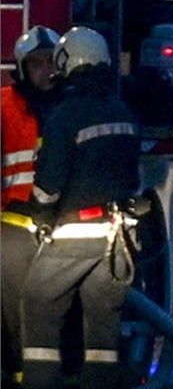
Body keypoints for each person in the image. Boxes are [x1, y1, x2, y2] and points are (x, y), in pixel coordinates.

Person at [21, 27, 140, 389]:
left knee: (38, 304)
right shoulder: (122, 110)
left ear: (69, 60)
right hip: (116, 241)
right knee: (103, 334)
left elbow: (49, 185)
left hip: (73, 236)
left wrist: (40, 219)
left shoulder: (66, 115)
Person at [1, 26, 61, 387]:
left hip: (60, 225)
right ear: (22, 68)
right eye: (36, 64)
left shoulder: (71, 106)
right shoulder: (5, 105)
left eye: (51, 62)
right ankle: (18, 372)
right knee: (13, 306)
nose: (45, 70)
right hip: (13, 224)